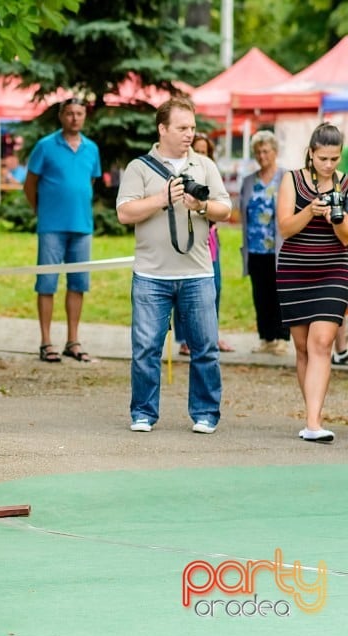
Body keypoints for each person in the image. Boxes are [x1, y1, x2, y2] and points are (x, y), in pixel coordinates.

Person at [116, 97, 232, 434]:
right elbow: (125, 213)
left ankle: (206, 413)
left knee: (205, 348)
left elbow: (225, 209)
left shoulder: (205, 165)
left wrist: (202, 205)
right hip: (151, 274)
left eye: (192, 127)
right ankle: (143, 413)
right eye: (182, 128)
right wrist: (162, 198)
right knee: (145, 349)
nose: (189, 134)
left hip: (197, 273)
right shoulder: (139, 168)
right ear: (162, 128)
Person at [275, 122, 348, 443]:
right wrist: (310, 210)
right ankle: (311, 415)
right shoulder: (291, 179)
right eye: (323, 159)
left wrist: (337, 215)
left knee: (322, 343)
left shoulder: (346, 184)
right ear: (311, 154)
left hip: (334, 268)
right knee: (303, 348)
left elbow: (347, 239)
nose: (329, 165)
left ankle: (314, 423)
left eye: (334, 159)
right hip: (295, 270)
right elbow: (285, 228)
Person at [24, 98, 102, 363]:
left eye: (79, 114)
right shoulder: (45, 146)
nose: (74, 118)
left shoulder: (92, 149)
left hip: (82, 226)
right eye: (69, 113)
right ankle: (46, 342)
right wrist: (42, 211)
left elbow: (90, 181)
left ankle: (73, 340)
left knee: (78, 284)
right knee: (47, 284)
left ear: (84, 117)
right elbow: (30, 184)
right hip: (51, 227)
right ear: (61, 116)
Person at [175, 134, 235, 355]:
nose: (201, 155)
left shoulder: (211, 173)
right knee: (182, 288)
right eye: (196, 150)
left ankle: (212, 333)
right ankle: (184, 339)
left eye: (204, 151)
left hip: (210, 236)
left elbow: (223, 208)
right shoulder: (183, 173)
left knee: (214, 286)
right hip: (185, 237)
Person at [239, 130, 289, 356]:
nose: (261, 155)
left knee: (280, 293)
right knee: (260, 294)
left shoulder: (286, 178)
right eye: (258, 152)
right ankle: (266, 337)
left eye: (265, 151)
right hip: (256, 247)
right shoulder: (249, 181)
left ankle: (281, 338)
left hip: (279, 248)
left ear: (275, 152)